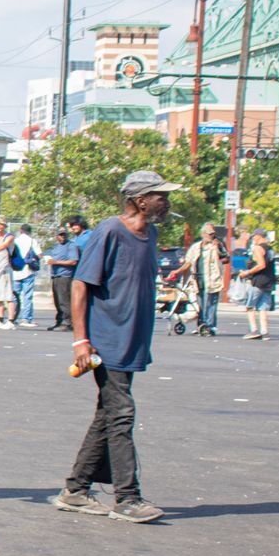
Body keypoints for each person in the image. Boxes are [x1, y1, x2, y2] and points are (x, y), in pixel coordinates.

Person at [53, 170, 180, 523]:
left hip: (131, 341)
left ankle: (75, 490)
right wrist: (81, 340)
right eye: (161, 196)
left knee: (107, 415)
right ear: (141, 200)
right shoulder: (110, 231)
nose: (166, 202)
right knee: (121, 413)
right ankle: (127, 496)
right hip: (105, 342)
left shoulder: (150, 233)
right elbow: (81, 285)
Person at [169, 222, 227, 336]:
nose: (212, 236)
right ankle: (201, 325)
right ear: (203, 234)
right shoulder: (196, 247)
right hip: (198, 279)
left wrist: (217, 249)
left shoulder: (218, 245)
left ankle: (210, 326)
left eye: (213, 234)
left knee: (211, 303)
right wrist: (177, 271)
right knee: (199, 304)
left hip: (212, 279)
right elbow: (188, 263)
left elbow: (226, 259)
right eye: (209, 234)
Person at [240, 229, 276, 339]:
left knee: (250, 307)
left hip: (258, 281)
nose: (253, 239)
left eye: (254, 236)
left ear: (259, 236)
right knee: (263, 308)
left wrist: (247, 272)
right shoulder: (270, 249)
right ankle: (265, 332)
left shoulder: (258, 248)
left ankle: (254, 330)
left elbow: (261, 265)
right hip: (269, 281)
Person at [45, 226, 80, 331]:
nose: (63, 237)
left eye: (64, 234)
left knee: (64, 301)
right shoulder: (56, 246)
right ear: (56, 236)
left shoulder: (71, 245)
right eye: (60, 235)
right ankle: (59, 321)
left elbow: (73, 261)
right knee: (57, 301)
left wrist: (56, 262)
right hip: (55, 276)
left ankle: (67, 323)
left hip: (65, 276)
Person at [8, 222, 42, 326]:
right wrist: (33, 259)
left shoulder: (15, 241)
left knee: (14, 296)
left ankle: (13, 317)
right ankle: (26, 319)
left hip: (16, 271)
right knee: (27, 296)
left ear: (20, 230)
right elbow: (40, 255)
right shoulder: (32, 241)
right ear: (29, 231)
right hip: (28, 271)